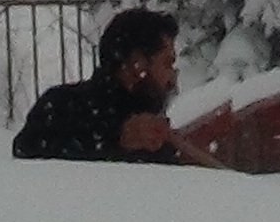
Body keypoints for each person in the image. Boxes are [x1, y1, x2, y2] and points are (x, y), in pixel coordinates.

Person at [13, 9, 222, 167]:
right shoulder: (62, 107)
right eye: (167, 63)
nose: (173, 77)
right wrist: (116, 139)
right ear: (137, 64)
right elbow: (28, 153)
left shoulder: (154, 135)